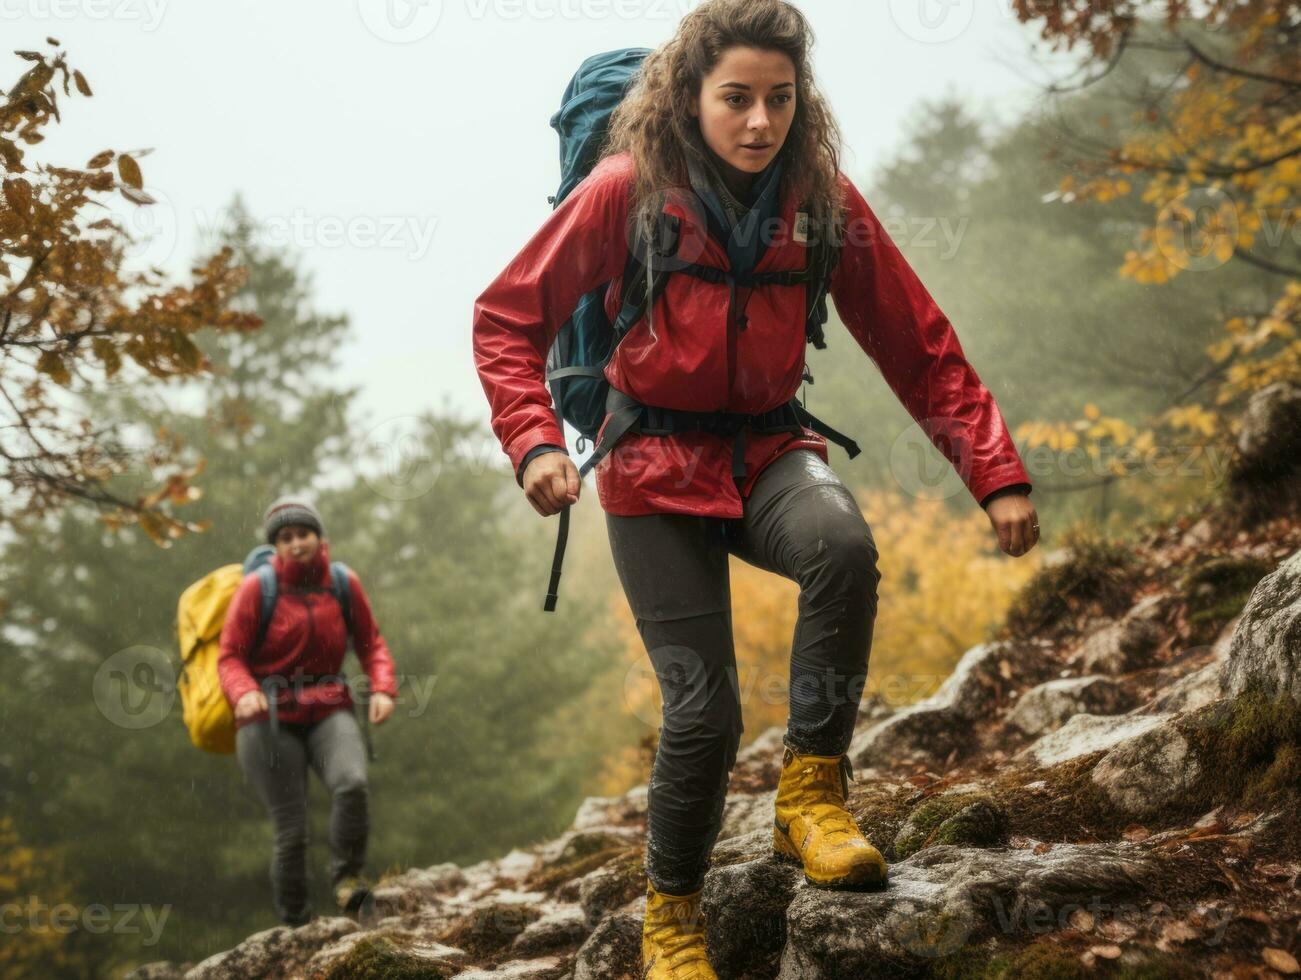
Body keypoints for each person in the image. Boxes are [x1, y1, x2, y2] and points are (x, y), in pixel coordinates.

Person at [472, 2, 1039, 974]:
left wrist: (992, 472)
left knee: (843, 546)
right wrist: (532, 445)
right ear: (688, 98)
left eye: (779, 99)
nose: (758, 122)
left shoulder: (819, 202)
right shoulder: (623, 193)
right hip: (649, 468)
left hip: (768, 452)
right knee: (703, 711)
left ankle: (809, 797)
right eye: (734, 98)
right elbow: (504, 319)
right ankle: (673, 919)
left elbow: (918, 342)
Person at [218, 496, 398, 927]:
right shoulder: (256, 589)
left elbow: (370, 643)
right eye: (285, 537)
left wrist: (383, 688)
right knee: (291, 829)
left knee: (352, 784)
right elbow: (229, 658)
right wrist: (243, 692)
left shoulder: (341, 582)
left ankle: (348, 883)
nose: (296, 543)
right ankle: (296, 928)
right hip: (268, 719)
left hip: (328, 706)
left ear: (320, 538)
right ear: (275, 546)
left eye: (303, 534)